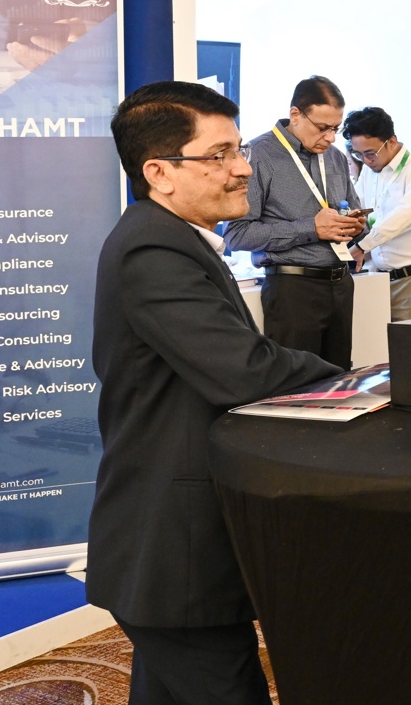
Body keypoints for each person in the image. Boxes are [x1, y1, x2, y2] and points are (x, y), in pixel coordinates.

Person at [89, 81, 341, 705]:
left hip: (173, 544)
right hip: (169, 545)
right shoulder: (152, 247)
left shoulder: (171, 237)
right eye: (220, 155)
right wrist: (350, 378)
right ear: (160, 173)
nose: (243, 168)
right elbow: (244, 369)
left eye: (239, 151)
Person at [222, 76, 366, 370]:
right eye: (322, 128)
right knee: (297, 382)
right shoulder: (258, 156)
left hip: (340, 283)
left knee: (340, 379)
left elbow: (354, 212)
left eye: (336, 128)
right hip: (292, 288)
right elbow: (236, 235)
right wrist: (311, 228)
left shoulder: (336, 158)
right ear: (296, 114)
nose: (330, 137)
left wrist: (356, 226)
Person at [342, 106, 411, 320]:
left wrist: (363, 246)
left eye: (370, 153)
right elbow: (358, 205)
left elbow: (405, 214)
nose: (366, 161)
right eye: (358, 154)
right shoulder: (370, 172)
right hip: (379, 281)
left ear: (391, 141)